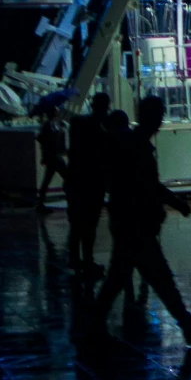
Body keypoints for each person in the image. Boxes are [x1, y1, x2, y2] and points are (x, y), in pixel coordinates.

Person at [89, 95, 191, 344]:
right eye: (159, 114)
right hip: (136, 225)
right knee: (158, 278)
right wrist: (175, 203)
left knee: (124, 277)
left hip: (128, 222)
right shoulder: (138, 146)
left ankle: (93, 324)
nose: (161, 120)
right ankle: (187, 325)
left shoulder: (132, 143)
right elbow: (148, 185)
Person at [65, 91, 112, 277]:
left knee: (77, 223)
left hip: (75, 179)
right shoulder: (101, 128)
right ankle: (86, 259)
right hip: (92, 181)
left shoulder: (77, 124)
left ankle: (76, 258)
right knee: (90, 223)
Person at [36, 102, 69, 211]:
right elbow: (42, 138)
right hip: (53, 156)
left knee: (47, 179)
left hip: (53, 156)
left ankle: (41, 202)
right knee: (67, 176)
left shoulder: (54, 124)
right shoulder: (49, 125)